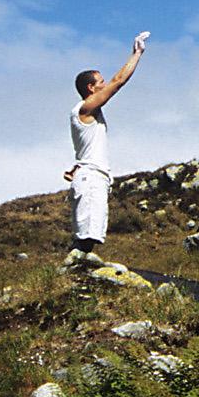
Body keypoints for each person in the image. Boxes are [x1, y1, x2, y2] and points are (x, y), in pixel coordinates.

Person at [66, 31, 148, 262]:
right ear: (91, 88)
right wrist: (137, 54)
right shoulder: (84, 108)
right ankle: (77, 268)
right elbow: (118, 81)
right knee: (86, 236)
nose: (105, 85)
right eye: (100, 83)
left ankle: (79, 267)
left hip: (92, 176)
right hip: (90, 177)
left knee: (91, 232)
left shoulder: (88, 112)